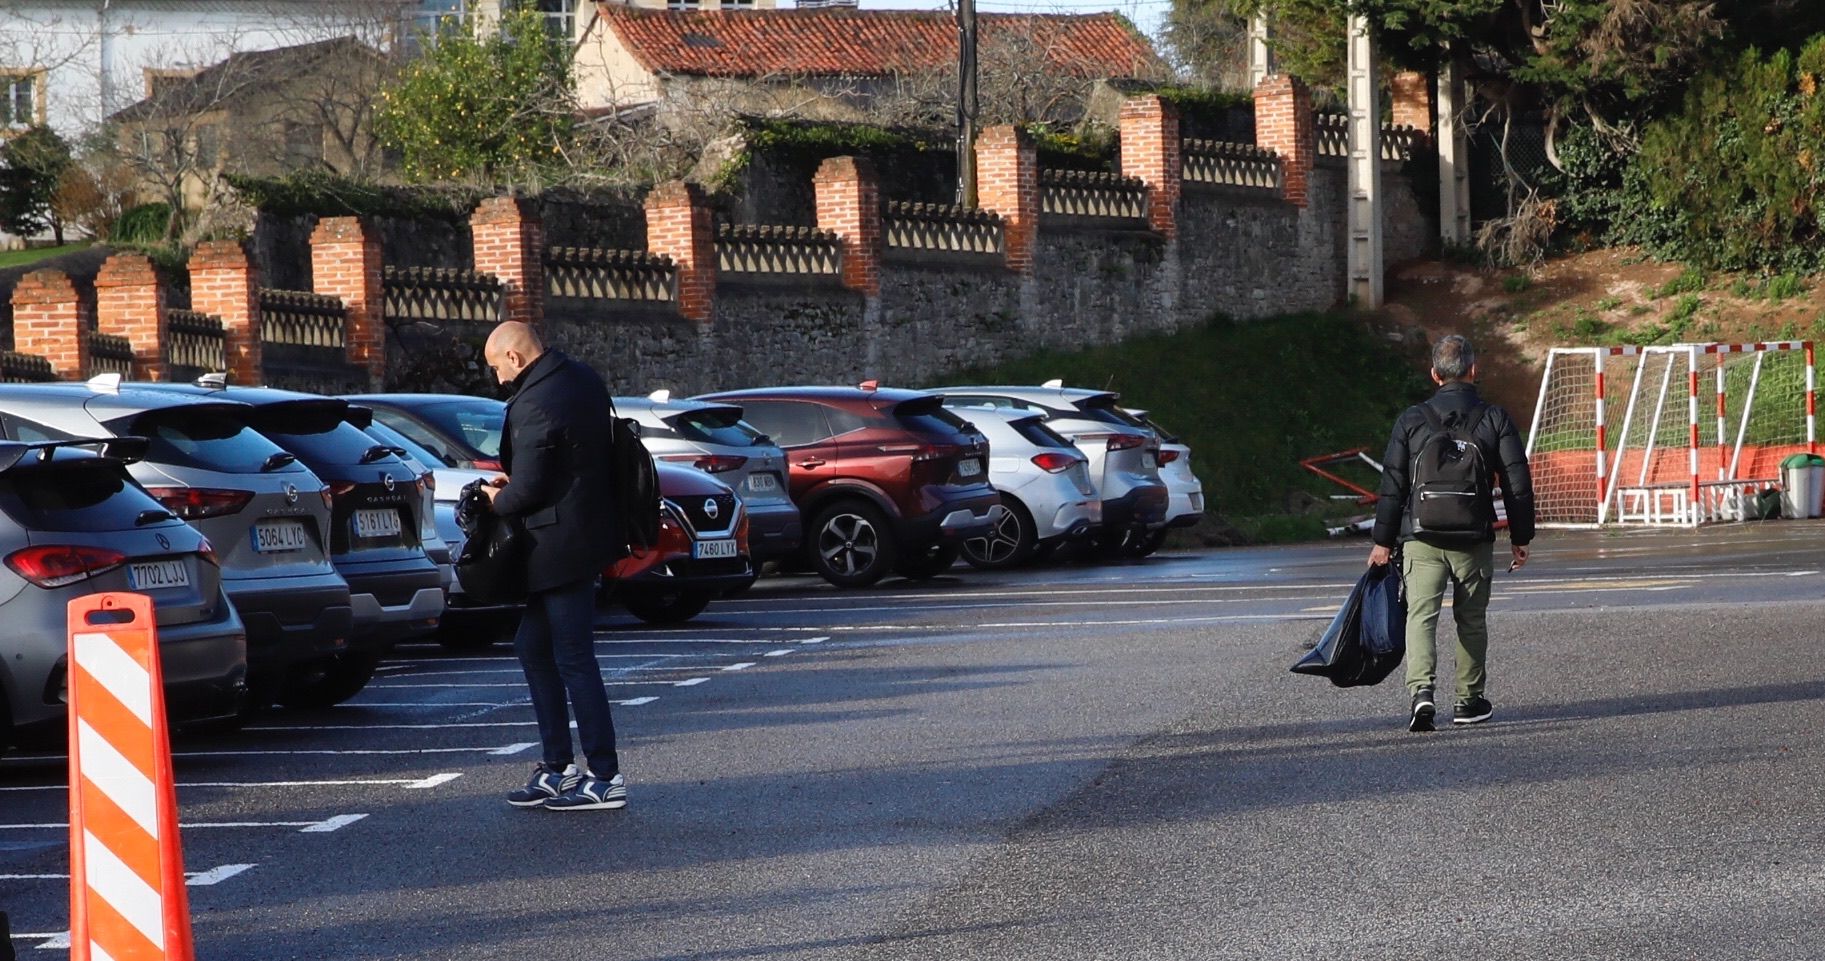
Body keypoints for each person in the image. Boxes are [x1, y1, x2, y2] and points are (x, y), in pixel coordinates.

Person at [482, 321, 628, 810]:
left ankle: (604, 775)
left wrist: (495, 500)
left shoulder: (535, 400)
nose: (499, 379)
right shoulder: (581, 377)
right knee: (532, 645)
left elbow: (528, 489)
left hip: (559, 546)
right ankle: (557, 766)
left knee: (573, 657)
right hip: (583, 535)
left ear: (514, 358)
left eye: (497, 368)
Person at [1368, 334, 1535, 733]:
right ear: (1474, 371)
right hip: (1473, 538)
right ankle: (1468, 701)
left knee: (1420, 617)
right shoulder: (1495, 418)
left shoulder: (1412, 419)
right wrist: (1521, 536)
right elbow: (1517, 482)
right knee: (1471, 620)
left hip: (1420, 538)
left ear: (1434, 374)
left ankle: (1421, 693)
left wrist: (1382, 541)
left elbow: (1392, 485)